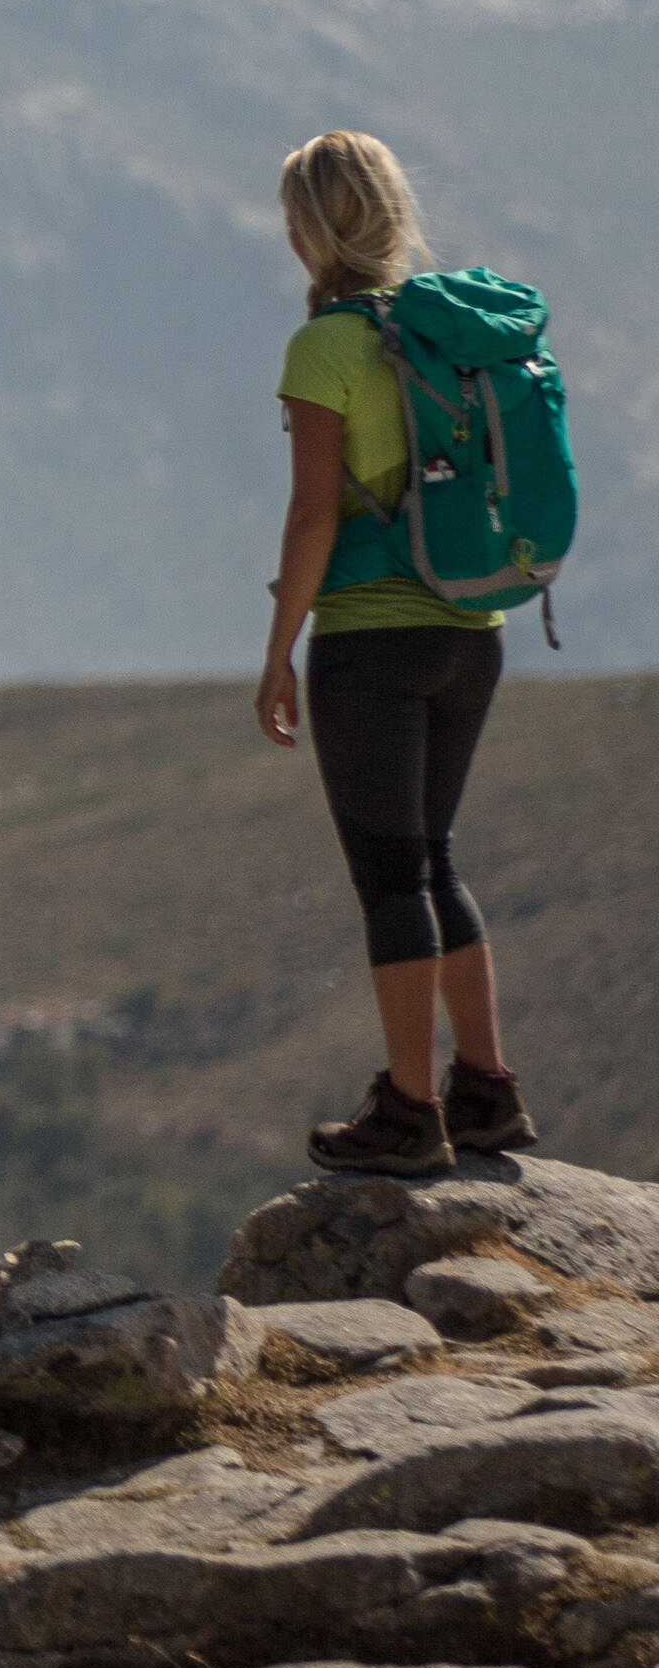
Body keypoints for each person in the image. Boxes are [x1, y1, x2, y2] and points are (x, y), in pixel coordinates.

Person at [255, 131, 536, 1180]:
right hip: (473, 634)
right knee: (436, 861)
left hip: (370, 644)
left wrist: (276, 651)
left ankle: (409, 1110)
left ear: (308, 229)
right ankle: (486, 1089)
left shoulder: (324, 348)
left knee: (387, 880)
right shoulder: (447, 333)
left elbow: (310, 517)